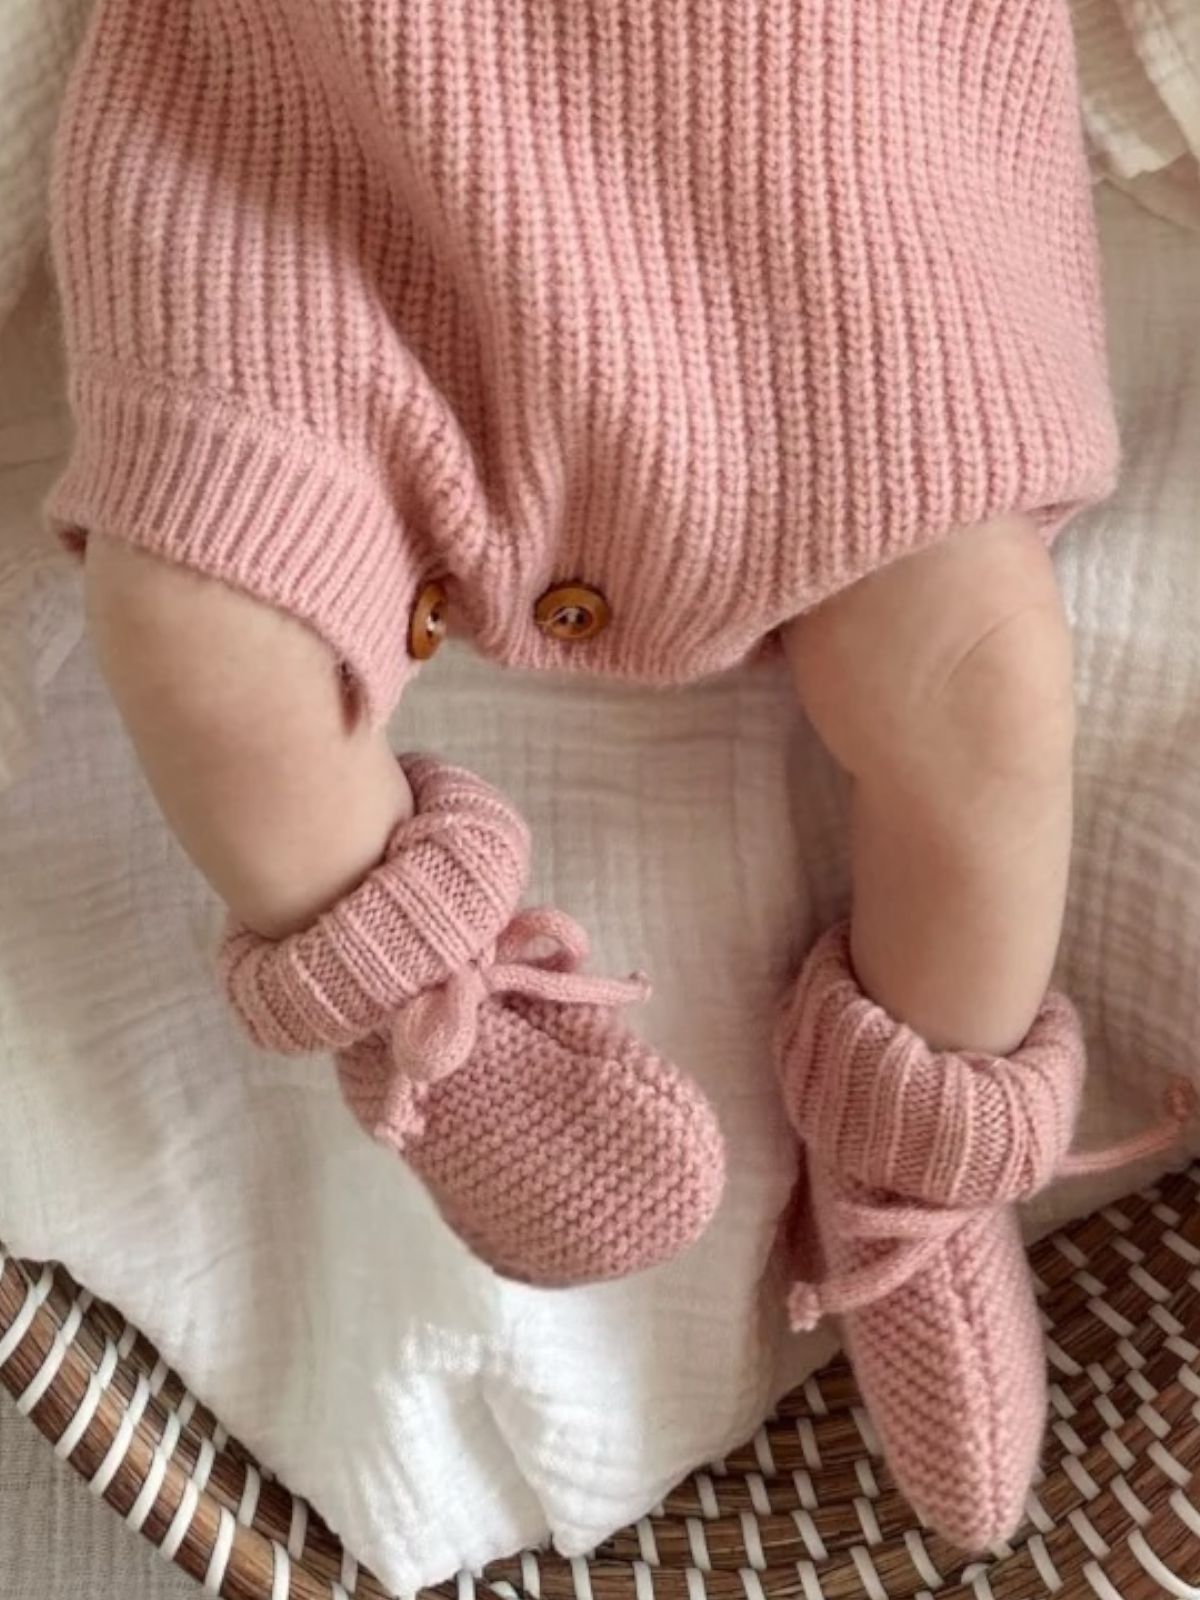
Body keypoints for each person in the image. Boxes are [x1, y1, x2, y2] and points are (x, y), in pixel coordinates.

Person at [48, 0, 1127, 1547]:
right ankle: (431, 1014)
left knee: (986, 691)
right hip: (316, 175)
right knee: (195, 631)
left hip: (822, 203)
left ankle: (916, 1152)